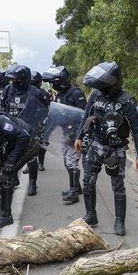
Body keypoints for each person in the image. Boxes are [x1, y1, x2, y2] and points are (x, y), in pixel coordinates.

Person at [73, 61, 138, 236]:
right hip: (96, 144)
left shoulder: (127, 101)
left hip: (117, 149)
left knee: (118, 186)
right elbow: (87, 115)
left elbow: (137, 128)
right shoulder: (96, 95)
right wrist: (79, 136)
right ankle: (91, 215)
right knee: (88, 181)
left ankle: (120, 222)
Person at [3, 63, 50, 196]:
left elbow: (47, 111)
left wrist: (41, 127)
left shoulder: (36, 92)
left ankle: (33, 183)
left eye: (17, 79)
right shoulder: (8, 89)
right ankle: (13, 178)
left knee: (31, 159)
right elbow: (4, 106)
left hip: (30, 130)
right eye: (12, 79)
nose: (14, 82)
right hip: (11, 129)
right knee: (11, 156)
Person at [43, 65, 87, 204]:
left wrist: (79, 135)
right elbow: (56, 116)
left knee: (72, 162)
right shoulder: (60, 96)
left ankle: (74, 192)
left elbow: (83, 116)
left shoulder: (76, 93)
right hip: (65, 134)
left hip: (75, 135)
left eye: (54, 82)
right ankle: (76, 187)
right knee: (66, 162)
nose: (53, 85)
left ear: (62, 80)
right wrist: (46, 133)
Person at [31, 71, 48, 171]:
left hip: (40, 121)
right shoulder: (27, 92)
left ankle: (40, 163)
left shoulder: (42, 93)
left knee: (40, 144)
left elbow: (47, 107)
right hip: (31, 121)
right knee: (33, 144)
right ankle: (31, 164)